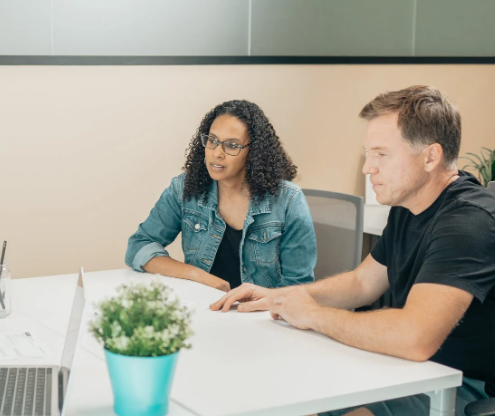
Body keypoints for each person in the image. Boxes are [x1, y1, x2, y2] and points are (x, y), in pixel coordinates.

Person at [211, 86, 495, 416]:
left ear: (430, 157)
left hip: (463, 387)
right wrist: (279, 297)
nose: (367, 168)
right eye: (368, 153)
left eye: (382, 154)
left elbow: (415, 337)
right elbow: (362, 284)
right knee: (284, 385)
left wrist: (314, 316)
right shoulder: (409, 206)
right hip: (410, 370)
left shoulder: (467, 221)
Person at [125, 100, 317, 292]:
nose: (217, 153)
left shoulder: (288, 200)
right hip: (204, 307)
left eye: (232, 146)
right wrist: (197, 275)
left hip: (261, 315)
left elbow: (299, 286)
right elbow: (139, 246)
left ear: (254, 152)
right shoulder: (185, 188)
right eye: (212, 140)